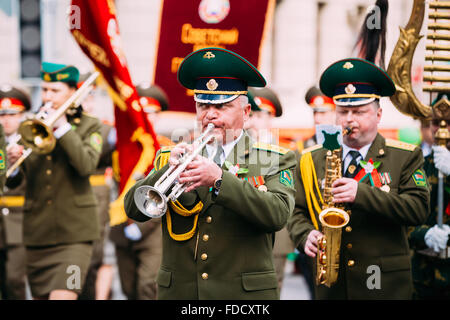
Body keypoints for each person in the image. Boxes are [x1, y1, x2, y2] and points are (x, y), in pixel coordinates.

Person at [124, 47, 297, 299]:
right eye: (203, 105)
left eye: (222, 106)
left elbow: (278, 215)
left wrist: (219, 180)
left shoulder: (273, 159)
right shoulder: (170, 156)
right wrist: (164, 171)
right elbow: (133, 209)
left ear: (246, 113)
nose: (210, 115)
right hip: (183, 294)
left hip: (241, 296)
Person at [287, 58, 430, 299]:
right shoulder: (312, 157)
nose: (349, 119)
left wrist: (361, 194)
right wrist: (304, 235)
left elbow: (418, 209)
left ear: (378, 114)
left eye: (360, 112)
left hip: (384, 285)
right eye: (343, 112)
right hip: (332, 286)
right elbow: (295, 210)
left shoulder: (405, 155)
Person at [6, 62, 103, 300]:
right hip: (38, 236)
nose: (48, 96)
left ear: (72, 91)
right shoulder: (29, 126)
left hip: (75, 238)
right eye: (45, 90)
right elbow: (12, 182)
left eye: (55, 90)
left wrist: (63, 129)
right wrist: (12, 162)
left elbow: (86, 166)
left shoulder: (90, 125)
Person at [109, 83, 170, 300]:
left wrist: (142, 226)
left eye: (151, 114)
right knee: (128, 288)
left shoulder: (165, 150)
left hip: (153, 229)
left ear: (159, 116)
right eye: (141, 113)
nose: (145, 119)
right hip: (121, 226)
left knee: (148, 285)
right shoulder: (119, 149)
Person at [246, 87, 295, 291]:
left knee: (270, 289)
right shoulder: (239, 147)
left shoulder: (287, 150)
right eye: (253, 115)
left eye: (261, 115)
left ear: (271, 117)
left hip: (276, 233)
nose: (256, 121)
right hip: (243, 231)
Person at [76, 73, 116, 300]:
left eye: (89, 97)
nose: (85, 103)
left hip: (97, 195)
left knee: (96, 254)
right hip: (68, 197)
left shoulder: (103, 129)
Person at [409, 93, 450, 299]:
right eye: (435, 122)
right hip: (424, 274)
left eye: (448, 122)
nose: (440, 129)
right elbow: (402, 218)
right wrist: (423, 234)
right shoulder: (417, 165)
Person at [0, 85, 30, 299]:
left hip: (21, 220)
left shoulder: (33, 140)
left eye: (12, 114)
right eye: (1, 114)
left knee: (14, 280)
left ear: (22, 115)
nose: (6, 120)